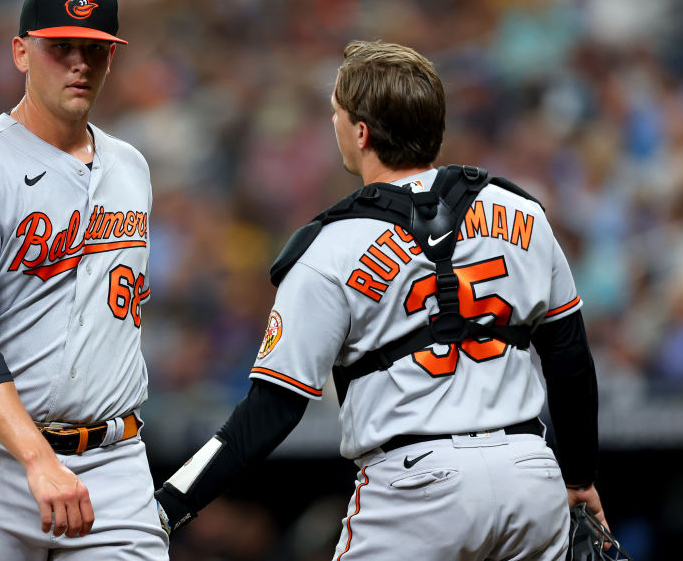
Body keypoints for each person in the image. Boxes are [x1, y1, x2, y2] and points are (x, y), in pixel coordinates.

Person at [154, 40, 607, 560]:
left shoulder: (330, 247)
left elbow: (270, 412)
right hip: (532, 475)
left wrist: (169, 505)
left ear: (361, 132)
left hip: (417, 487)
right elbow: (570, 358)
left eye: (336, 114)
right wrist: (579, 477)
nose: (334, 124)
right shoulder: (522, 211)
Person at [0, 0, 167, 560]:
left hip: (113, 460)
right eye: (61, 48)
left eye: (95, 50)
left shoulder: (131, 167)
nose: (79, 63)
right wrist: (36, 457)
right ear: (21, 52)